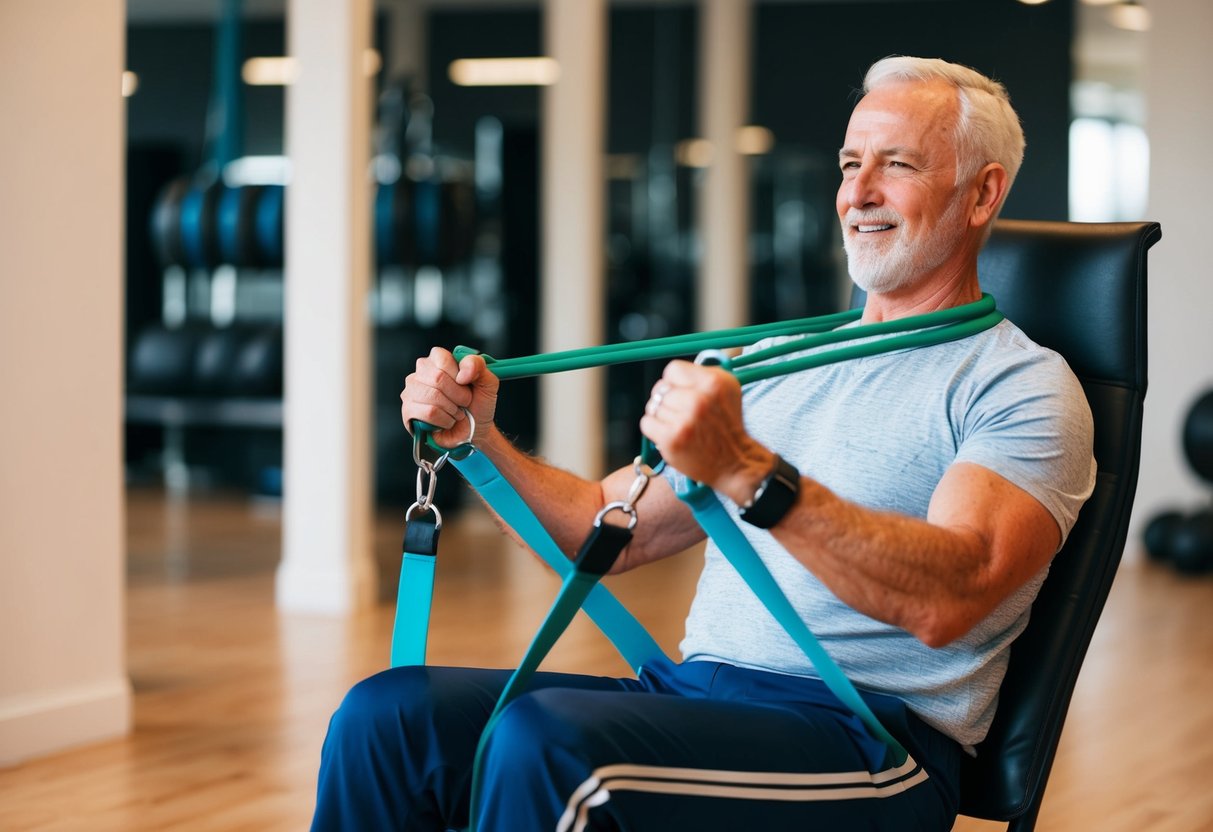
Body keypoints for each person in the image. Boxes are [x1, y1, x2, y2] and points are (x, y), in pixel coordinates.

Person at [310, 56, 1095, 831]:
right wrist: (477, 439)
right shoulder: (770, 366)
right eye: (850, 163)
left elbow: (948, 597)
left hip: (870, 745)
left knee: (549, 747)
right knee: (388, 718)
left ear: (982, 192)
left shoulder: (1017, 384)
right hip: (698, 697)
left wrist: (746, 470)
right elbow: (601, 532)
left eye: (897, 165)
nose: (857, 193)